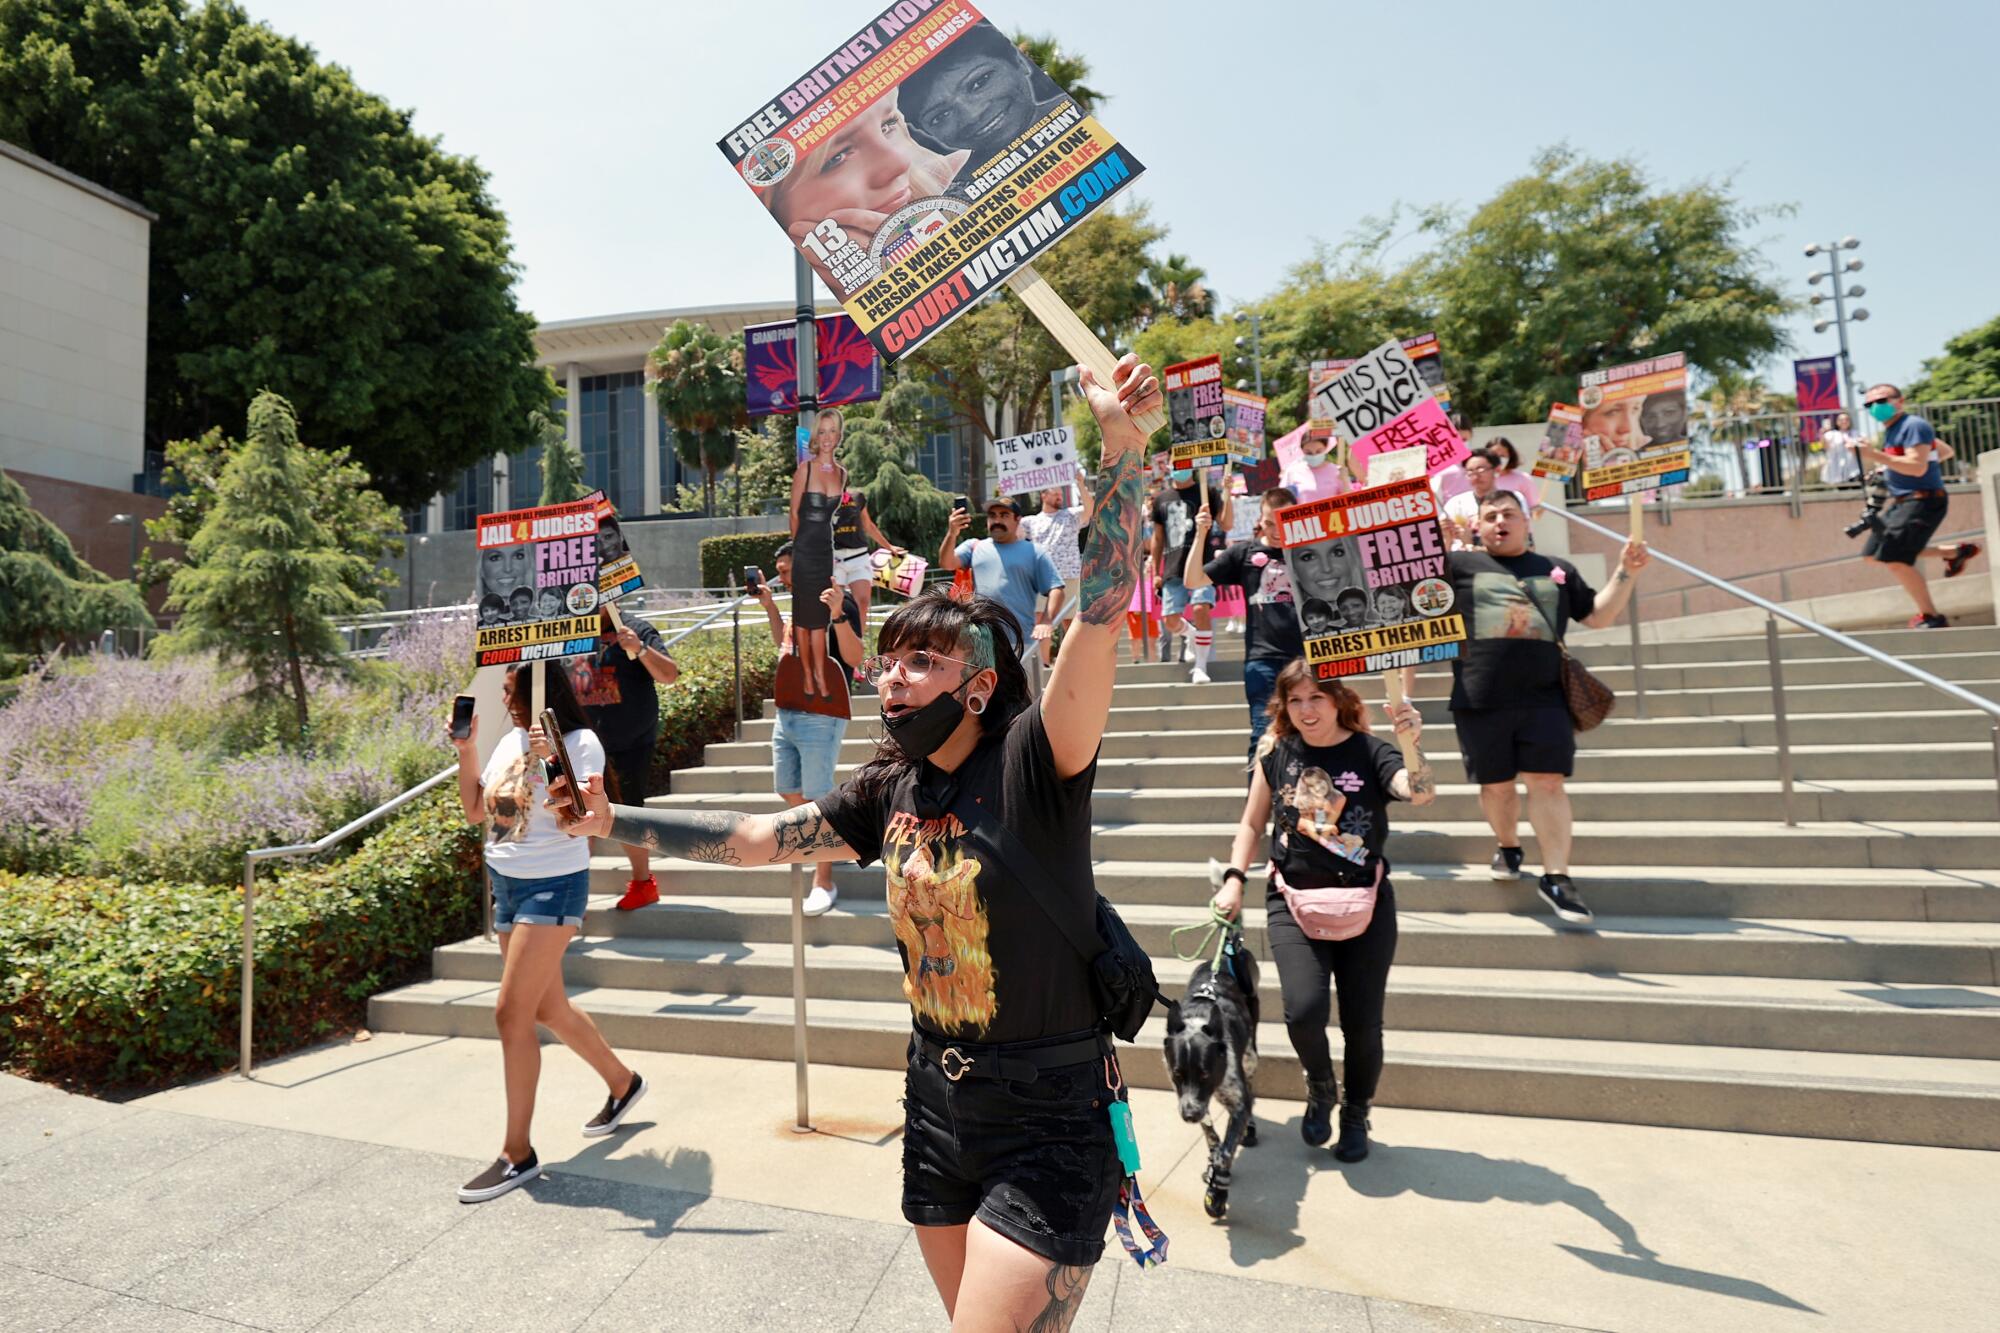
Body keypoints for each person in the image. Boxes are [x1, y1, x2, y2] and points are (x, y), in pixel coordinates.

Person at [547, 355, 1163, 1331]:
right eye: (887, 661)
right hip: (934, 1104)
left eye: (922, 659)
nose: (892, 678)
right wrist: (603, 822)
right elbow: (754, 839)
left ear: (978, 682)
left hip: (1050, 1118)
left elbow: (1099, 609)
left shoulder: (1034, 762)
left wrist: (1121, 449)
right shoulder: (888, 790)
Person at [1214, 661, 1434, 1163]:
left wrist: (1411, 742)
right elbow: (1252, 823)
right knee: (1303, 1011)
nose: (1306, 710)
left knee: (1363, 1024)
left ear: (1339, 700)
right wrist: (1233, 879)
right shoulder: (1278, 752)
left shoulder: (1372, 751)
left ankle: (1356, 1114)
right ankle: (1320, 1086)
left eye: (1316, 698)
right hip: (1292, 900)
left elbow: (1419, 793)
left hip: (1366, 904)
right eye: (1295, 700)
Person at [448, 662, 644, 1203]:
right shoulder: (505, 742)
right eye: (506, 692)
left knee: (510, 1013)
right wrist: (466, 751)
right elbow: (474, 811)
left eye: (514, 691)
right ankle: (624, 1083)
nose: (508, 700)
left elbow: (578, 819)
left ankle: (518, 1154)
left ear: (543, 692)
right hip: (505, 884)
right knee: (546, 1008)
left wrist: (551, 755)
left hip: (552, 885)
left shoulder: (580, 742)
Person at [1444, 491, 1649, 927]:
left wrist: (1625, 572)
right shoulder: (1457, 567)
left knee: (1548, 783)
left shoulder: (1556, 570)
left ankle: (1557, 877)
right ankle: (1508, 845)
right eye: (1491, 515)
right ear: (1477, 526)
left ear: (1526, 522)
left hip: (1546, 698)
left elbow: (1597, 616)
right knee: (1496, 787)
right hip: (1480, 698)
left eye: (1509, 514)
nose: (1501, 521)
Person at [753, 89, 968, 297]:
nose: (899, 163)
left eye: (887, 126)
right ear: (773, 207)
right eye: (837, 157)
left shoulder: (960, 186)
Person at [758, 542, 867, 916]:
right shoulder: (796, 603)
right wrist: (771, 608)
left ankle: (824, 879)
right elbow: (781, 644)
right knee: (788, 789)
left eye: (786, 570)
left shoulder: (837, 598)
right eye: (780, 570)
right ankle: (834, 836)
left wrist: (837, 613)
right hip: (787, 707)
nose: (781, 577)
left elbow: (855, 659)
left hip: (823, 709)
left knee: (818, 795)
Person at [566, 608, 681, 911]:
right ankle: (572, 894)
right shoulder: (571, 632)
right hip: (583, 743)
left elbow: (669, 675)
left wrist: (639, 649)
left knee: (627, 815)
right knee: (578, 814)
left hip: (630, 743)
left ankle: (643, 883)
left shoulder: (635, 629)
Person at [1182, 486, 1304, 761]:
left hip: (1306, 660)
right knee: (1263, 738)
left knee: (1308, 739)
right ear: (1260, 519)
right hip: (1262, 660)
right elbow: (1193, 580)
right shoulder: (1245, 553)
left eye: (1282, 521)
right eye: (1269, 522)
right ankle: (1257, 803)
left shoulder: (1311, 552)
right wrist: (1201, 534)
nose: (1275, 530)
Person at [1855, 384, 1980, 628]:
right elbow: (1943, 451)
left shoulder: (1913, 425)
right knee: (1872, 555)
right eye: (1869, 405)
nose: (1874, 407)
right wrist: (1890, 466)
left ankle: (1931, 616)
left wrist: (1876, 456)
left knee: (1895, 558)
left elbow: (1917, 467)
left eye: (1880, 401)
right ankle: (1953, 552)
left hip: (1923, 500)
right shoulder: (1894, 430)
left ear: (1900, 401)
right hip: (1903, 501)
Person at [899, 20, 1073, 190]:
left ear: (1020, 63)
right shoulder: (951, 193)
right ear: (926, 131)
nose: (973, 115)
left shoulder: (1078, 119)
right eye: (940, 116)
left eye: (979, 82)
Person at [940, 495, 1065, 667]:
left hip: (1021, 643)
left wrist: (1046, 621)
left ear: (1017, 520)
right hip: (981, 642)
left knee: (1024, 693)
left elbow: (1056, 588)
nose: (997, 520)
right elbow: (947, 563)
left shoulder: (1034, 552)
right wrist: (951, 533)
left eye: (1004, 515)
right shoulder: (974, 546)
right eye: (992, 515)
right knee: (983, 692)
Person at [819, 407, 906, 627]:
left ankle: (857, 643)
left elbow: (868, 525)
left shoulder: (857, 497)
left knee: (863, 602)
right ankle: (838, 642)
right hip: (834, 558)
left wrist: (889, 548)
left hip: (859, 556)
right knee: (834, 605)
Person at [1150, 467, 1232, 683]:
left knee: (1200, 609)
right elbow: (1158, 539)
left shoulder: (1207, 492)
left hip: (1202, 566)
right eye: (1175, 463)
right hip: (1172, 568)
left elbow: (1226, 523)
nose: (1180, 468)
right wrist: (1155, 571)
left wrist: (1228, 492)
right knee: (1170, 621)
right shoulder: (1161, 499)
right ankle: (1194, 636)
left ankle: (1200, 666)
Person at [790, 412, 849, 698]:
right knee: (803, 617)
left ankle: (821, 673)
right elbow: (793, 513)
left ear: (839, 436)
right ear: (817, 436)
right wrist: (796, 548)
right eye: (822, 432)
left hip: (826, 551)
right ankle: (807, 676)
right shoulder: (805, 470)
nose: (827, 438)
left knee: (820, 618)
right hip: (803, 552)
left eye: (832, 431)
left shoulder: (842, 473)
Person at [1020, 470, 1095, 635]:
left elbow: (1090, 509)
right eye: (1055, 493)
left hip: (1069, 575)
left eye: (1060, 493)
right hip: (1041, 577)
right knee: (1040, 620)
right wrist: (1006, 496)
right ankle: (1044, 662)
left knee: (1071, 623)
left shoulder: (1071, 515)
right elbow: (1012, 530)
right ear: (1043, 495)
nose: (1059, 496)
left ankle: (1073, 660)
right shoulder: (1030, 521)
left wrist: (1081, 484)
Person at [1440, 449, 1504, 549]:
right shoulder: (1456, 503)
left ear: (1497, 470)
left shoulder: (1512, 500)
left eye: (1480, 469)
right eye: (1470, 471)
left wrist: (1470, 542)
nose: (1475, 475)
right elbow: (1445, 548)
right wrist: (1447, 536)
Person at [1484, 436, 1540, 511]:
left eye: (1502, 456)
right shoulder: (1480, 478)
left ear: (1510, 456)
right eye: (1494, 455)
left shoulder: (1523, 479)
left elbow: (1534, 508)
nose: (1498, 459)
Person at [1819, 410, 1862, 487]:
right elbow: (1824, 447)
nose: (1844, 422)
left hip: (1854, 469)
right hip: (1837, 470)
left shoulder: (1855, 433)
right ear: (1837, 422)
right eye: (1841, 420)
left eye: (1846, 419)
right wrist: (1822, 434)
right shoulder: (1831, 434)